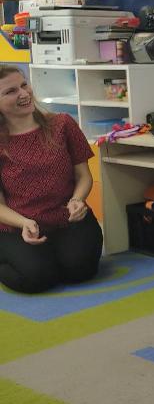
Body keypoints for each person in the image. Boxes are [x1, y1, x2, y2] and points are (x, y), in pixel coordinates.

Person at [0, 65, 102, 293]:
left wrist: (77, 200)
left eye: (24, 85)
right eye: (11, 91)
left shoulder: (62, 124)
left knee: (80, 271)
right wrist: (24, 223)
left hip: (67, 218)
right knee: (37, 279)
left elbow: (83, 176)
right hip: (18, 226)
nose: (24, 93)